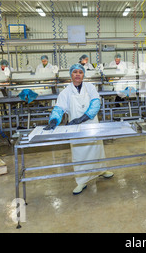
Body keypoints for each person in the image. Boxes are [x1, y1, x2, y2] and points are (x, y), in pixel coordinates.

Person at [44, 63, 113, 195]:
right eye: (75, 72)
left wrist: (83, 118)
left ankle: (101, 170)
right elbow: (59, 108)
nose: (77, 74)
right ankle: (81, 181)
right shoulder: (66, 92)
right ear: (71, 75)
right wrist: (53, 120)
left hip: (92, 124)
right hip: (75, 128)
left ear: (83, 75)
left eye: (80, 72)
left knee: (96, 148)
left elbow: (96, 103)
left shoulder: (90, 87)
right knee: (79, 153)